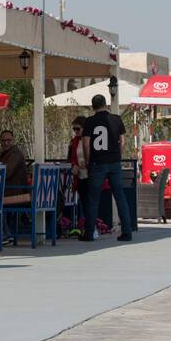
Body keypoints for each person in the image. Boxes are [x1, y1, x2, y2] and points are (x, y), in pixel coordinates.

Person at [82, 95, 133, 242]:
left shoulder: (89, 122)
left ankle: (89, 233)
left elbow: (86, 143)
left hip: (97, 163)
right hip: (114, 162)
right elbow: (122, 140)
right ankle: (127, 232)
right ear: (106, 104)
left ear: (93, 106)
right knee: (120, 197)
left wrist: (87, 160)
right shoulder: (117, 119)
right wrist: (117, 154)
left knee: (93, 200)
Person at [68, 117, 89, 228]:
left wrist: (87, 163)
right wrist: (74, 165)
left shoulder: (90, 139)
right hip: (80, 175)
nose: (75, 131)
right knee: (83, 200)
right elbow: (71, 157)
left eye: (78, 129)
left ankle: (90, 224)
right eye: (74, 129)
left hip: (90, 174)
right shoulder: (74, 141)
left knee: (90, 201)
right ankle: (84, 224)